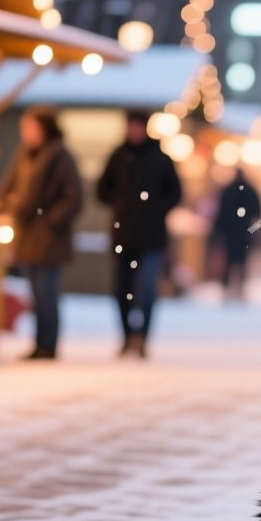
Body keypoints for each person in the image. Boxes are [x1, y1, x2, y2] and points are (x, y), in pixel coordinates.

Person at [0, 107, 83, 360]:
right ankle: (39, 343)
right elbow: (7, 188)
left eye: (30, 127)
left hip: (49, 238)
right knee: (36, 293)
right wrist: (7, 204)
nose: (26, 133)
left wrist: (50, 220)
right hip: (28, 234)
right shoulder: (24, 155)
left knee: (47, 292)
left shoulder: (59, 157)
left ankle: (48, 344)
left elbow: (73, 197)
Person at [96, 112, 182, 358]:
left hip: (151, 237)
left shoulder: (159, 158)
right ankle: (126, 336)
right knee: (121, 290)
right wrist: (120, 203)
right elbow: (102, 189)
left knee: (145, 289)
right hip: (123, 236)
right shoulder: (119, 156)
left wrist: (156, 209)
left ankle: (142, 337)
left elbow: (175, 192)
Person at [211, 167, 261, 302]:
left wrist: (218, 232)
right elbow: (258, 213)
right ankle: (239, 288)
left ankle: (228, 289)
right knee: (241, 261)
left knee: (229, 260)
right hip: (244, 231)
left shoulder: (228, 191)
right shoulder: (250, 191)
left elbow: (221, 213)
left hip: (230, 232)